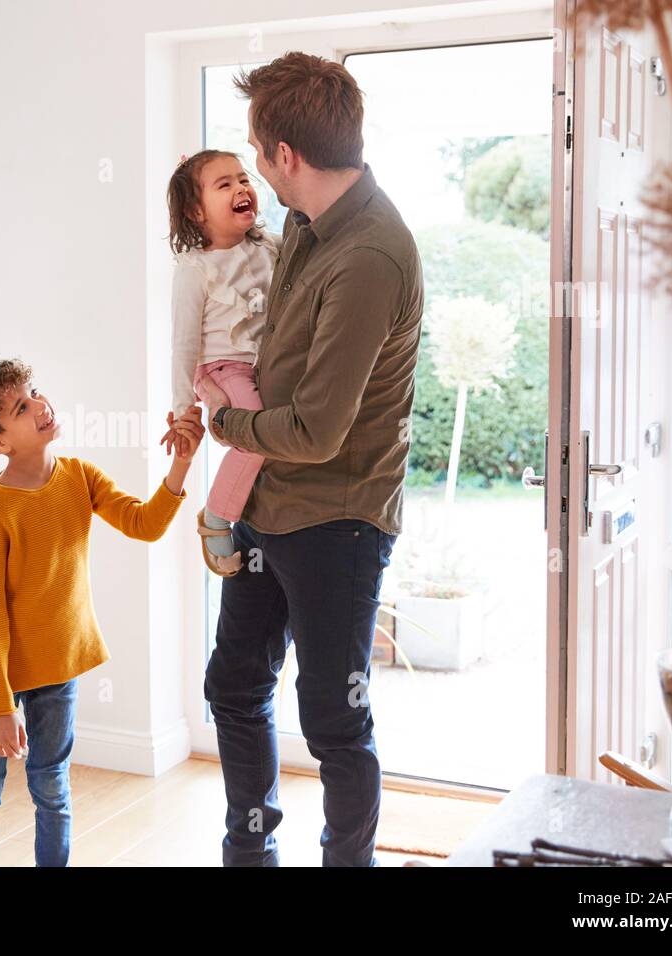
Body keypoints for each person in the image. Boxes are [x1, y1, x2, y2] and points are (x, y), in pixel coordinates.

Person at [198, 52, 425, 867]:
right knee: (233, 688)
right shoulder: (302, 224)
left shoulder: (369, 255)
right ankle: (250, 854)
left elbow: (319, 431)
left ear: (285, 155)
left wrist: (225, 423)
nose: (258, 168)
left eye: (260, 151)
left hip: (337, 520)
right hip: (268, 507)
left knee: (333, 721)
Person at [0, 357, 204, 866]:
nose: (40, 403)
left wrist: (182, 464)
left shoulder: (80, 476)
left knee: (52, 790)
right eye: (21, 406)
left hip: (58, 669)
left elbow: (143, 525)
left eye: (34, 391)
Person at [164, 149, 281, 577]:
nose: (241, 188)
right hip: (220, 367)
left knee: (267, 431)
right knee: (253, 429)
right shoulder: (195, 268)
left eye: (243, 178)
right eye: (224, 184)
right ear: (197, 211)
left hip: (261, 362)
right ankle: (216, 516)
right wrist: (183, 410)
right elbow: (182, 343)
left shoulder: (268, 246)